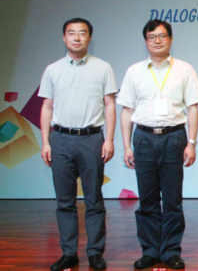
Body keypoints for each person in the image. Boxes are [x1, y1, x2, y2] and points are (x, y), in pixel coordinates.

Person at [117, 19, 198, 270]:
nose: (157, 41)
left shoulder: (184, 69)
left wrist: (191, 142)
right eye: (151, 37)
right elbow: (127, 111)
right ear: (145, 41)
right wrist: (127, 146)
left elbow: (193, 108)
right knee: (147, 200)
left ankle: (171, 251)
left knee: (172, 199)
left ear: (171, 39)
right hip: (143, 138)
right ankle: (150, 251)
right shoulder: (134, 71)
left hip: (173, 137)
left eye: (162, 36)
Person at [39, 18, 117, 271]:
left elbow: (109, 105)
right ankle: (69, 253)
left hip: (92, 139)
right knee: (65, 201)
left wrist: (109, 139)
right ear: (64, 37)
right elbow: (47, 106)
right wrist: (45, 142)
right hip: (60, 139)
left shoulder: (103, 68)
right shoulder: (52, 69)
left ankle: (95, 253)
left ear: (89, 38)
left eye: (82, 33)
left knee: (94, 199)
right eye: (71, 33)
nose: (76, 37)